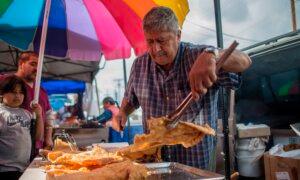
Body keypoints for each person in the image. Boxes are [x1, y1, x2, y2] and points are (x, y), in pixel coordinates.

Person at [117, 6, 252, 170]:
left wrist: (213, 55)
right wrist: (123, 112)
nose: (155, 49)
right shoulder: (139, 65)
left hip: (195, 167)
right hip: (154, 165)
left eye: (161, 41)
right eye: (150, 41)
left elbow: (245, 61)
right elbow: (131, 99)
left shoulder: (199, 56)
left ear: (178, 36)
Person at [0, 51, 53, 151]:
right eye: (33, 64)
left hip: (36, 149)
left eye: (39, 65)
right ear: (21, 64)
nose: (36, 69)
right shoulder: (4, 80)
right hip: (8, 152)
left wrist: (48, 138)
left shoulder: (42, 91)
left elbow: (49, 115)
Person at [0, 75, 43, 180]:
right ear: (2, 94)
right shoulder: (1, 113)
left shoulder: (27, 114)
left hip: (25, 168)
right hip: (5, 170)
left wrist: (39, 115)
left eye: (21, 92)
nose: (18, 96)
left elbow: (38, 137)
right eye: (13, 92)